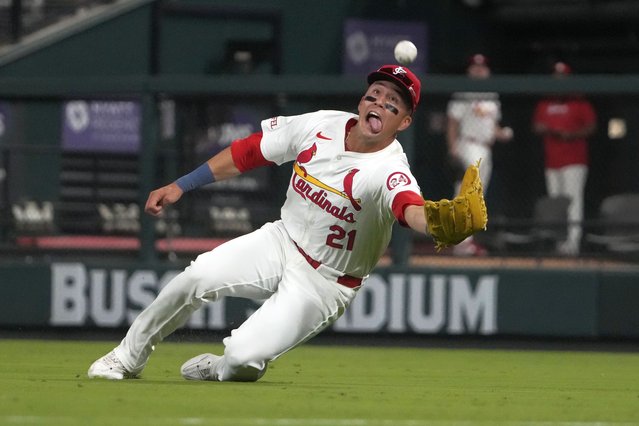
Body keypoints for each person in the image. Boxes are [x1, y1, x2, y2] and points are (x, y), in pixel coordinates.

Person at [87, 65, 435, 382]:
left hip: (325, 281)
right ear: (361, 103)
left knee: (242, 360)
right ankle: (127, 357)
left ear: (404, 122)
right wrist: (181, 185)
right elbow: (250, 151)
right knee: (197, 276)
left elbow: (409, 208)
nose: (378, 102)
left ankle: (221, 366)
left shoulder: (390, 169)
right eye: (374, 94)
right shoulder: (321, 125)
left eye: (392, 103)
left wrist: (436, 224)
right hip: (282, 240)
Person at [446, 53, 513, 256]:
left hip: (486, 148)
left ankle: (467, 241)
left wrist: (503, 134)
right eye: (474, 67)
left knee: (477, 198)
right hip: (469, 145)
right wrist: (452, 148)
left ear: (488, 71)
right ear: (469, 71)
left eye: (482, 67)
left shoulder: (492, 96)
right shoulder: (463, 93)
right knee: (465, 193)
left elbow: (493, 127)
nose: (478, 70)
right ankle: (461, 242)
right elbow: (452, 122)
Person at [532, 61, 596, 256]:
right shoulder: (546, 102)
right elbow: (536, 125)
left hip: (574, 160)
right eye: (556, 77)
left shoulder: (578, 101)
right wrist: (545, 129)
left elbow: (591, 126)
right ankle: (559, 242)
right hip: (552, 160)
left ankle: (572, 243)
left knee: (573, 201)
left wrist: (572, 134)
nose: (558, 81)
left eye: (562, 77)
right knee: (555, 203)